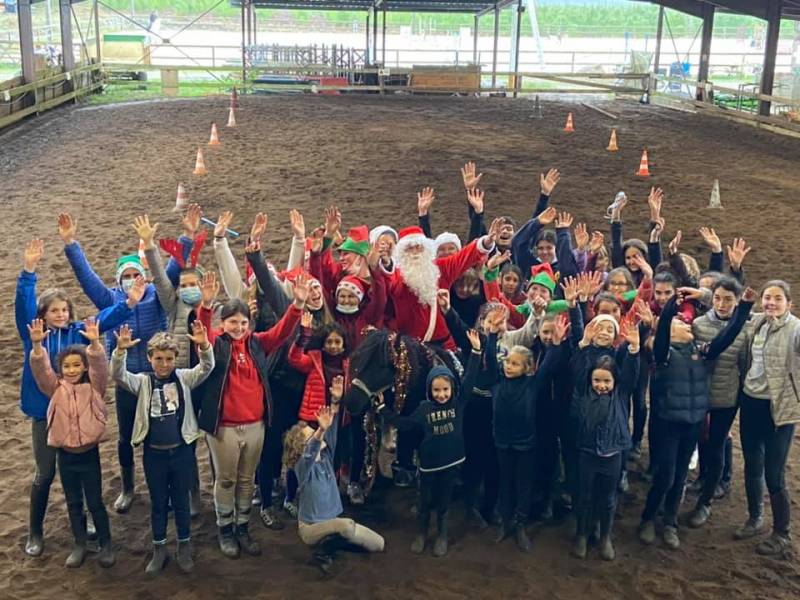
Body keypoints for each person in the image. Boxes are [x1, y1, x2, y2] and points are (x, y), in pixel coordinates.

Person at [15, 238, 143, 557]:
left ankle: (83, 526)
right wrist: (28, 272)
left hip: (76, 416)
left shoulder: (76, 332)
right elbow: (23, 306)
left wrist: (128, 304)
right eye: (53, 310)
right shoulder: (35, 335)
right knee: (45, 474)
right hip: (44, 414)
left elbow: (107, 319)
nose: (60, 314)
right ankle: (35, 531)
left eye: (64, 309)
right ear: (42, 314)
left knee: (78, 476)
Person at [59, 212, 188, 513]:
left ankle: (164, 489)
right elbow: (86, 277)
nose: (131, 280)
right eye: (125, 276)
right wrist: (70, 243)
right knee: (127, 438)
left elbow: (174, 267)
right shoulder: (111, 300)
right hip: (128, 380)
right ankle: (129, 488)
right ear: (119, 280)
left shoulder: (156, 294)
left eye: (135, 274)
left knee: (161, 438)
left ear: (142, 275)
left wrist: (186, 235)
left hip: (159, 378)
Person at [196, 270, 309, 559]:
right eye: (233, 322)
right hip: (224, 427)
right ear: (224, 323)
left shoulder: (257, 342)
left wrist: (296, 306)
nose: (238, 327)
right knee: (226, 480)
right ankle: (225, 529)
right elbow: (203, 339)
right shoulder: (217, 344)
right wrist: (206, 306)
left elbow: (282, 331)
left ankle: (243, 527)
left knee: (247, 479)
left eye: (243, 322)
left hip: (256, 424)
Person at [639, 289, 754, 550]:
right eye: (680, 323)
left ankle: (669, 522)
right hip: (669, 423)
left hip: (692, 423)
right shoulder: (663, 355)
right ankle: (647, 518)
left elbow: (726, 338)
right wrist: (669, 310)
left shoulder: (701, 351)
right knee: (665, 475)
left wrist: (744, 308)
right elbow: (663, 331)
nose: (686, 323)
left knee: (680, 476)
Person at [111, 322, 214, 575]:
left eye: (169, 359)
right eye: (159, 358)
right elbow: (119, 375)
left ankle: (184, 546)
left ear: (176, 359)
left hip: (180, 452)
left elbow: (207, 367)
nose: (164, 364)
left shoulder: (184, 378)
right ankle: (159, 548)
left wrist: (204, 346)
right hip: (153, 454)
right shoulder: (143, 382)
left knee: (181, 500)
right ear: (149, 358)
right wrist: (120, 352)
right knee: (158, 502)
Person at [384, 328, 482, 556]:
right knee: (425, 500)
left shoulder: (458, 403)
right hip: (428, 465)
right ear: (429, 390)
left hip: (451, 463)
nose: (441, 394)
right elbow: (405, 424)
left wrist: (476, 352)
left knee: (444, 503)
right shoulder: (423, 409)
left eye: (445, 389)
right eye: (436, 390)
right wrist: (383, 409)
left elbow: (469, 380)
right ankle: (421, 533)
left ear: (451, 389)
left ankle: (442, 534)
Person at [28, 317, 115, 569]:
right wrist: (37, 347)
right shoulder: (55, 388)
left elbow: (100, 367)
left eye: (78, 365)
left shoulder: (94, 387)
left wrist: (96, 343)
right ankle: (79, 543)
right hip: (65, 455)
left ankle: (106, 543)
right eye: (67, 366)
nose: (73, 370)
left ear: (84, 367)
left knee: (96, 501)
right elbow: (41, 371)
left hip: (89, 454)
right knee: (73, 501)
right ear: (60, 369)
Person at [485, 314, 568, 552]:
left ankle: (521, 524)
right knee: (505, 482)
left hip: (525, 444)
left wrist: (556, 344)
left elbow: (550, 363)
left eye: (515, 364)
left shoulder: (533, 384)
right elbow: (491, 360)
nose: (509, 367)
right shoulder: (497, 381)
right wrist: (491, 334)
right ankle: (506, 522)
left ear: (528, 368)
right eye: (508, 362)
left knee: (523, 483)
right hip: (502, 442)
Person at [290, 377, 385, 575]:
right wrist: (320, 431)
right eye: (312, 434)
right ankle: (323, 552)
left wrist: (335, 402)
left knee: (378, 544)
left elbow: (330, 429)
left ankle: (334, 541)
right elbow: (310, 452)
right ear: (301, 446)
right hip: (311, 528)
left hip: (332, 522)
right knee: (347, 526)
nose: (318, 434)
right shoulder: (302, 468)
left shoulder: (326, 456)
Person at [736, 280, 800, 557]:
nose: (771, 303)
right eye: (767, 298)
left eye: (777, 298)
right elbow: (723, 301)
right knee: (752, 463)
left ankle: (781, 533)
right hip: (751, 403)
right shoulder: (757, 322)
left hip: (780, 410)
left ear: (789, 303)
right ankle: (754, 518)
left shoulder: (795, 328)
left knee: (774, 474)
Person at [571, 339, 640, 561]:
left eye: (606, 381)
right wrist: (582, 345)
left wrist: (633, 351)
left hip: (612, 456)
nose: (601, 385)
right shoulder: (584, 392)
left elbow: (631, 374)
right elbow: (578, 369)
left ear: (615, 381)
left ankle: (605, 536)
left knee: (608, 498)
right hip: (587, 454)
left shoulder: (620, 395)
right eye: (596, 380)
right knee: (584, 496)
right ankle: (582, 534)